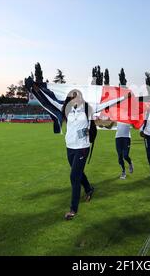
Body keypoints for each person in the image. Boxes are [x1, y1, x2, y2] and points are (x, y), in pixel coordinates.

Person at [61, 89, 95, 220]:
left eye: (77, 96)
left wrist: (86, 133)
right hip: (70, 146)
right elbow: (49, 102)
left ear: (81, 97)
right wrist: (35, 89)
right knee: (78, 172)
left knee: (74, 176)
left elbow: (92, 127)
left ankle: (73, 209)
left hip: (82, 147)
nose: (75, 99)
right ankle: (88, 189)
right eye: (72, 97)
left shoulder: (87, 109)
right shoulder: (67, 109)